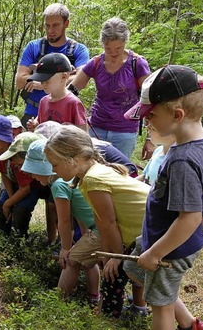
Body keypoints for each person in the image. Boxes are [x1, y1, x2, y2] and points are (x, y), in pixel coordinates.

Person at [122, 65, 203, 330]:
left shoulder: (182, 161)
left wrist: (156, 252)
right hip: (169, 239)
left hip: (171, 248)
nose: (147, 122)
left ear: (177, 115)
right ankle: (191, 324)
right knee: (150, 281)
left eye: (151, 115)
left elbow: (189, 218)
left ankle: (182, 321)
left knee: (161, 306)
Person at [44, 125, 150, 318]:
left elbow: (109, 223)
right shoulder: (89, 175)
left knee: (146, 284)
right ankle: (106, 315)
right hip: (137, 233)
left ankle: (106, 317)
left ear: (73, 160)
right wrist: (108, 254)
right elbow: (103, 223)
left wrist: (116, 256)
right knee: (113, 275)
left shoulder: (93, 180)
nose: (52, 169)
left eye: (55, 164)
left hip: (150, 232)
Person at [22, 139, 100, 303]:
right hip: (98, 228)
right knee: (87, 260)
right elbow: (80, 210)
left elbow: (64, 221)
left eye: (34, 171)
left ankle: (57, 303)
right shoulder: (70, 178)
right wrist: (85, 235)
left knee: (71, 260)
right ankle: (94, 297)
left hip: (100, 230)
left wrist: (65, 249)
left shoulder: (59, 184)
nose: (32, 176)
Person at [68, 17, 151, 159]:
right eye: (108, 48)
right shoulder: (95, 63)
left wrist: (150, 138)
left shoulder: (137, 64)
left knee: (118, 173)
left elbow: (150, 99)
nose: (113, 53)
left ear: (125, 42)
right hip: (97, 126)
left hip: (125, 130)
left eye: (118, 48)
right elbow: (71, 91)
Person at [15, 3, 90, 128]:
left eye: (55, 25)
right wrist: (60, 78)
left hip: (64, 115)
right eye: (47, 25)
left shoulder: (79, 50)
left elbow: (82, 79)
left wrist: (42, 81)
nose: (50, 30)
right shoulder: (34, 47)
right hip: (33, 113)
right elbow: (19, 81)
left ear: (66, 24)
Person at [0, 116, 49, 237]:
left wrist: (9, 204)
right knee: (2, 205)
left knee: (21, 209)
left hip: (33, 186)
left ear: (6, 139)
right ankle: (3, 236)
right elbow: (4, 174)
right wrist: (10, 200)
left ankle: (18, 240)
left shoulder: (18, 156)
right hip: (16, 184)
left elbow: (26, 189)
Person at [28, 53, 88, 132]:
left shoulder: (73, 103)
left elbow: (83, 134)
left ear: (64, 77)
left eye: (46, 80)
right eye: (41, 80)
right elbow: (42, 128)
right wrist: (35, 126)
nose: (43, 84)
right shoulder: (44, 101)